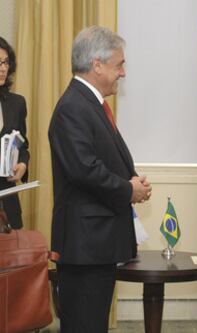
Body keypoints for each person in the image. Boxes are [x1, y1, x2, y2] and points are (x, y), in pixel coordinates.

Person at [48, 26, 152, 333]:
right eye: (119, 65)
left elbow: (100, 162)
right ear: (97, 65)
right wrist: (127, 189)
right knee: (84, 325)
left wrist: (132, 181)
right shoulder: (72, 108)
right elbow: (84, 169)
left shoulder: (89, 104)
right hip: (85, 246)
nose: (123, 73)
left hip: (96, 244)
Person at [0, 37, 30, 229]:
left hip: (8, 204)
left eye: (5, 62)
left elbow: (23, 146)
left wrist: (22, 164)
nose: (3, 68)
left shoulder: (17, 103)